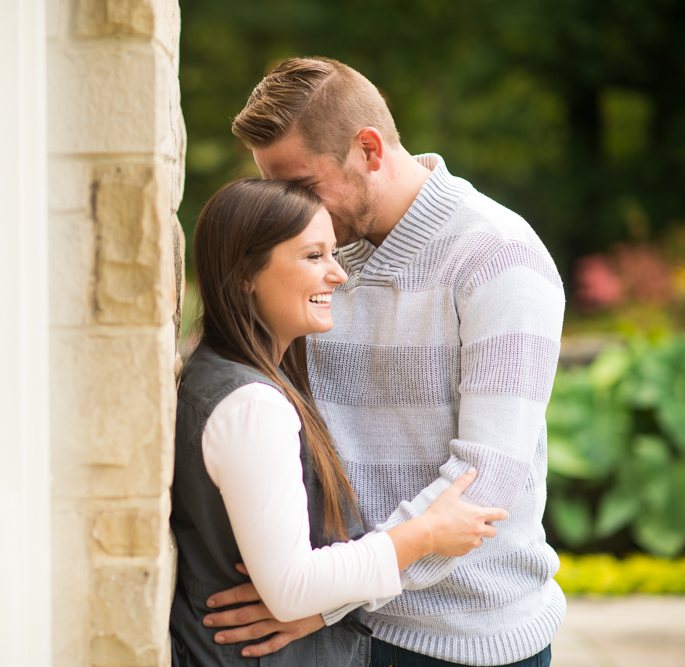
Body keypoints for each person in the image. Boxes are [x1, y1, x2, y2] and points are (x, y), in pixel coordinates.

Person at [205, 57, 567, 667]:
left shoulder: (499, 260)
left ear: (369, 149)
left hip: (464, 641)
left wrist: (320, 600)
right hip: (339, 628)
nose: (292, 211)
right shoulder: (317, 257)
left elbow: (483, 489)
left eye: (302, 185)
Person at [171, 177, 509, 667]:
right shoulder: (252, 407)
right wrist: (425, 535)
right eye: (313, 257)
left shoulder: (219, 374)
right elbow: (292, 588)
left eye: (334, 254)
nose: (338, 275)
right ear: (245, 273)